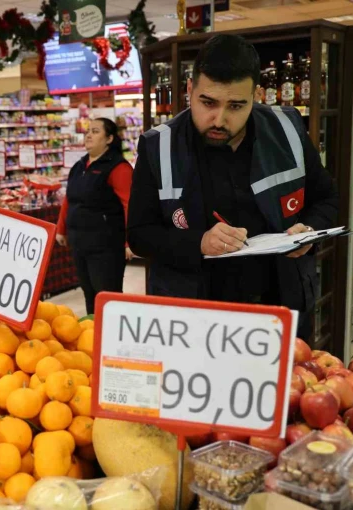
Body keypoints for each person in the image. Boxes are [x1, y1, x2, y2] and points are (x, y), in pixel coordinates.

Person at [127, 34, 338, 340]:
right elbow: (139, 234)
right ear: (189, 89)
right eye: (208, 102)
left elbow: (327, 197)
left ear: (256, 97)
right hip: (192, 320)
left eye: (236, 106)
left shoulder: (288, 130)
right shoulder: (157, 146)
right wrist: (199, 243)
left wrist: (310, 230)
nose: (219, 119)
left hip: (280, 310)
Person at [56, 118, 134, 314]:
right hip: (80, 243)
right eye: (87, 131)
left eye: (95, 131)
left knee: (107, 296)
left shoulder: (118, 167)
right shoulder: (80, 165)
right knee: (89, 294)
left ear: (109, 138)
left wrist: (130, 241)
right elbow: (69, 198)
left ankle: (111, 339)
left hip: (105, 246)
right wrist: (61, 228)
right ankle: (92, 337)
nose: (88, 135)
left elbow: (130, 205)